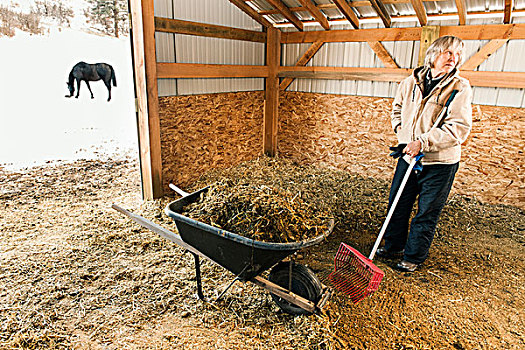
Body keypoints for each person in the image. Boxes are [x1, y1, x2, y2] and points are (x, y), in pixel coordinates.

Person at [376, 36, 473, 272]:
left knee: (426, 211)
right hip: (409, 156)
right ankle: (393, 246)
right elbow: (397, 110)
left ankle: (413, 257)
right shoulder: (410, 83)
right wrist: (402, 133)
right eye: (447, 53)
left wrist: (424, 142)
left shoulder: (459, 87)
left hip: (440, 162)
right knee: (397, 203)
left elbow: (458, 128)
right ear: (433, 55)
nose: (453, 58)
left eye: (457, 54)